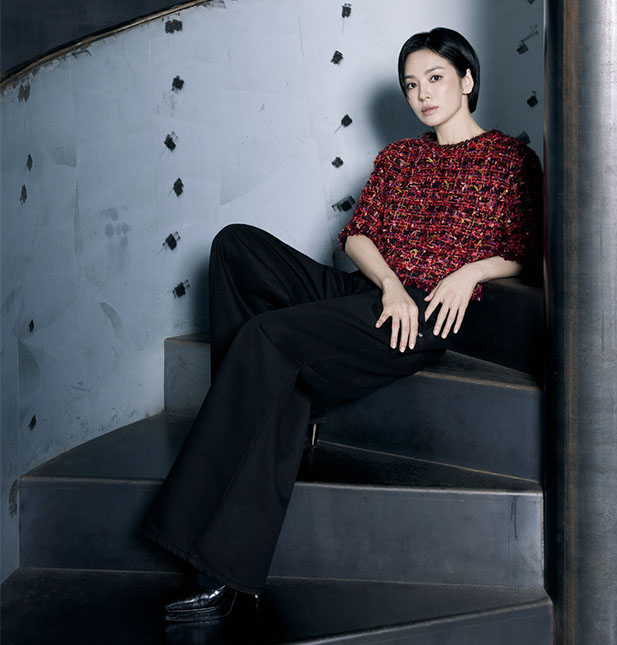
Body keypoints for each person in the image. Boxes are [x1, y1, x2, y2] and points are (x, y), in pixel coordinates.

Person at [141, 26, 542, 623]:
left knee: (265, 336)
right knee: (234, 247)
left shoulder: (510, 159)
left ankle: (221, 567)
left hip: (426, 312)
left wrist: (470, 272)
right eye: (411, 84)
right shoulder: (400, 157)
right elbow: (357, 237)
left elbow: (524, 249)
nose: (422, 94)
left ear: (467, 80)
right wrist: (390, 286)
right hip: (375, 292)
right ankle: (276, 412)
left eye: (435, 78)